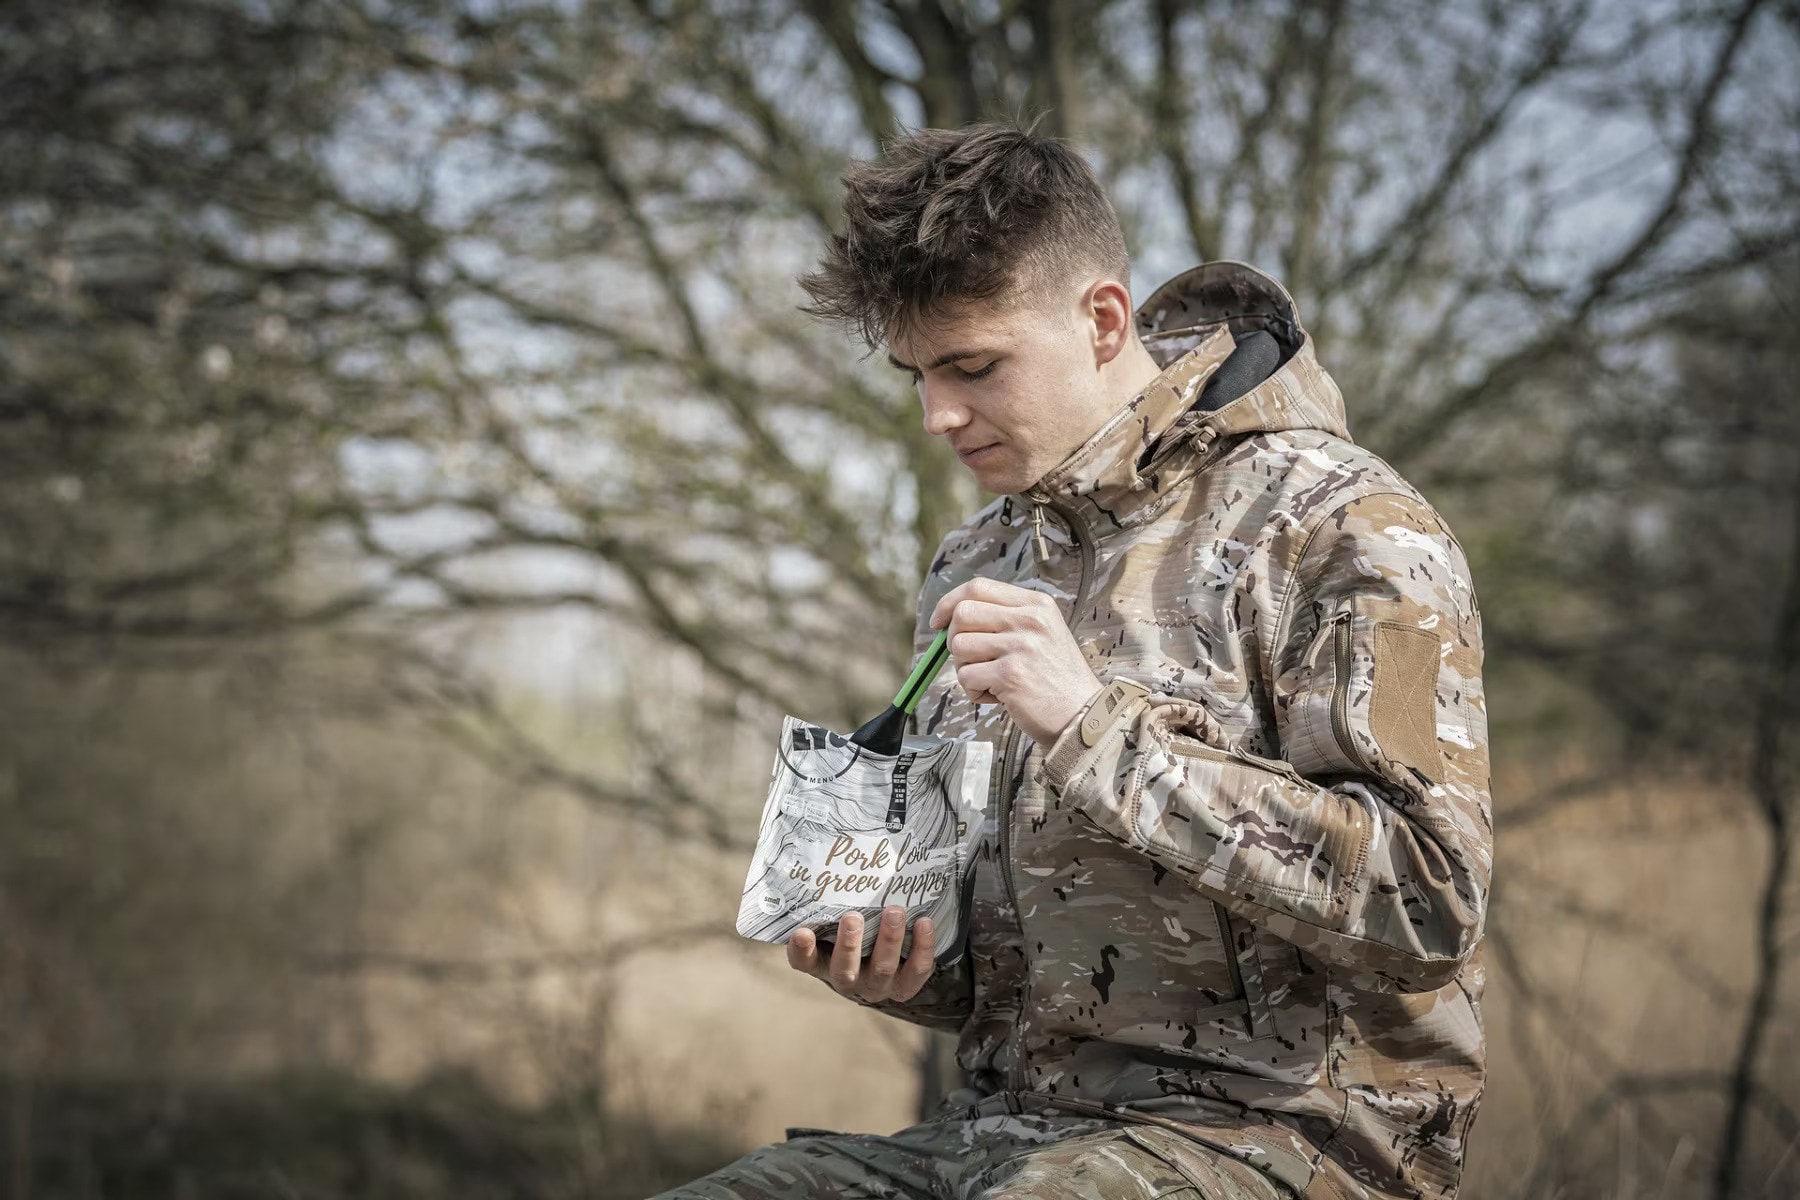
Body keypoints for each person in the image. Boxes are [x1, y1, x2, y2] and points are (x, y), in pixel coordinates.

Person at [655, 115, 1491, 1200]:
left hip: (1289, 1141)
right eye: (916, 373)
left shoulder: (1344, 523)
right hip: (1004, 1132)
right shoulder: (979, 556)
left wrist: (1091, 728)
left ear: (1102, 319)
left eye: (973, 366)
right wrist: (905, 962)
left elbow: (1426, 904)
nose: (937, 415)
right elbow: (997, 970)